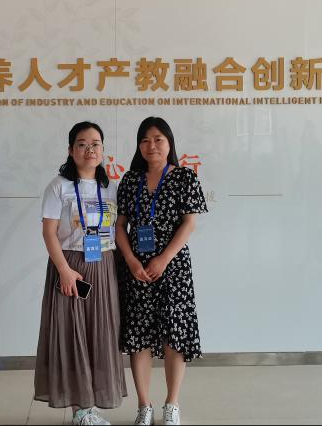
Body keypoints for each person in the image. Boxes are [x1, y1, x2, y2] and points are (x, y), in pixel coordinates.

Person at [114, 117, 208, 426]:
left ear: (169, 143)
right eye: (145, 140)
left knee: (173, 334)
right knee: (138, 335)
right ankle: (144, 406)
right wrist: (131, 261)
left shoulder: (184, 177)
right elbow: (120, 226)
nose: (151, 145)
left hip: (173, 267)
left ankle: (172, 404)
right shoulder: (130, 180)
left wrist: (163, 259)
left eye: (158, 139)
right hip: (137, 269)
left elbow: (189, 223)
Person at [34, 121, 126, 425]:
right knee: (72, 335)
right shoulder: (58, 186)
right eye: (82, 144)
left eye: (95, 144)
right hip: (70, 265)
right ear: (71, 150)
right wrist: (63, 270)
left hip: (103, 264)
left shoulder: (110, 187)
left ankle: (90, 405)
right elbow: (49, 233)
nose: (90, 150)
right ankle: (81, 411)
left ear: (103, 149)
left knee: (99, 335)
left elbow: (118, 230)